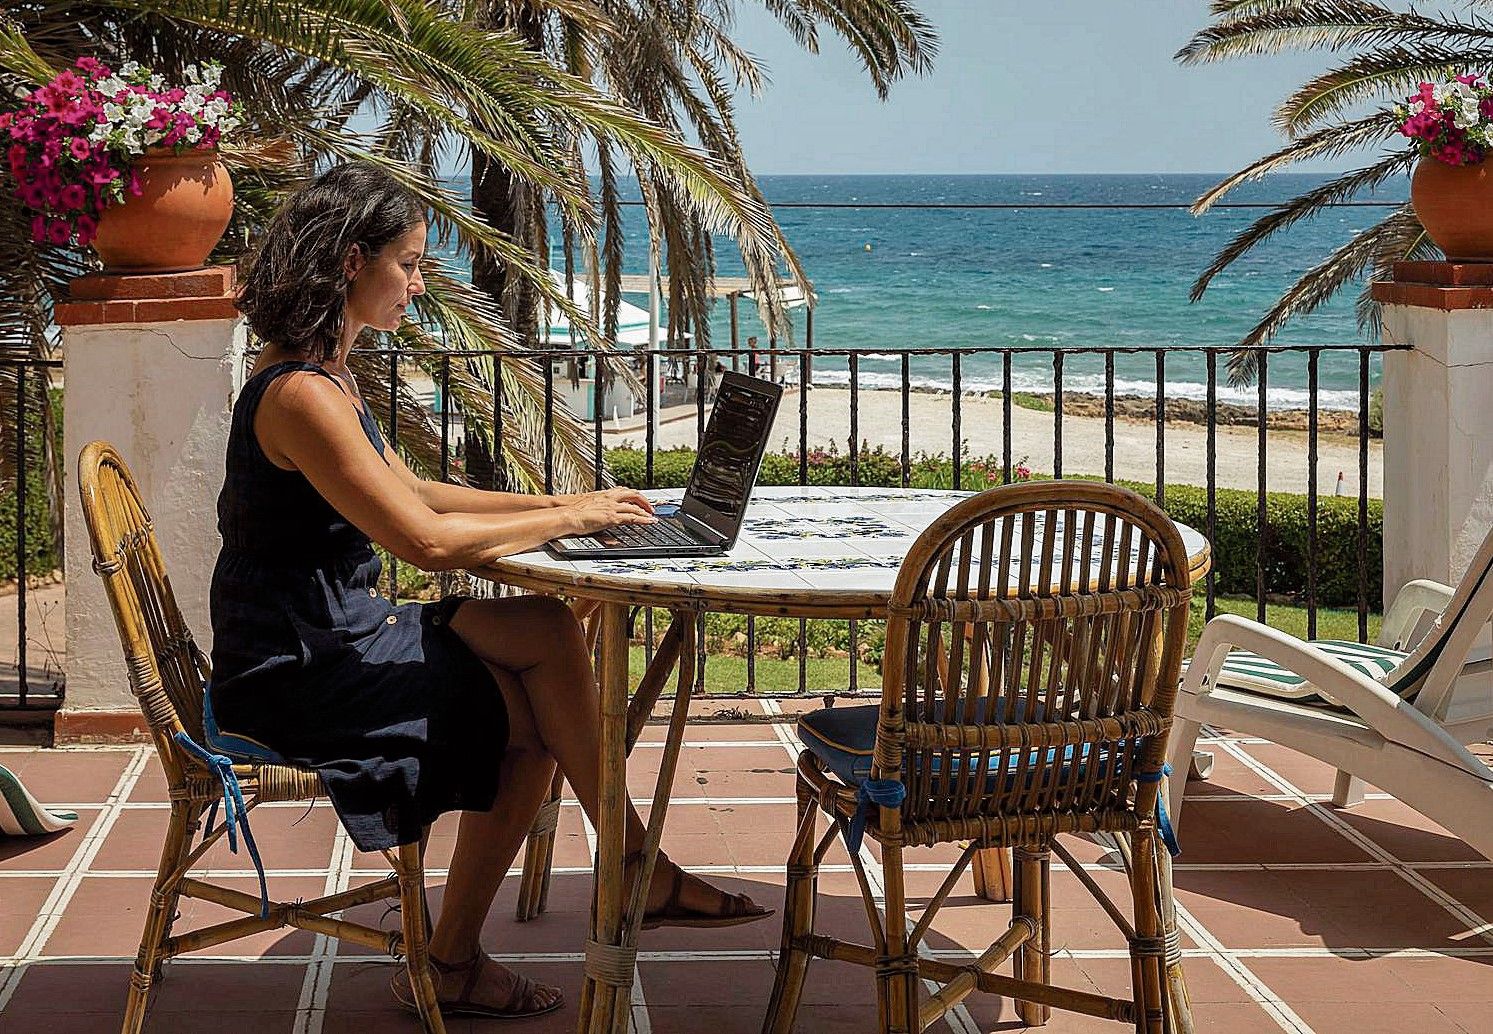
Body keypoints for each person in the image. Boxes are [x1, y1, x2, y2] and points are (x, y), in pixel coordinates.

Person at [212, 162, 769, 1020]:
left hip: (336, 629)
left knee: (545, 626)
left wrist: (566, 504)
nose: (417, 283)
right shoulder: (299, 396)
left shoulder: (326, 373)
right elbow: (426, 541)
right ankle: (468, 952)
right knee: (533, 733)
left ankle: (628, 869)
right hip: (298, 663)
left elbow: (426, 494)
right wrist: (566, 520)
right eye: (407, 263)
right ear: (353, 260)